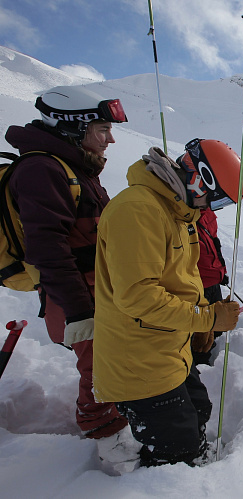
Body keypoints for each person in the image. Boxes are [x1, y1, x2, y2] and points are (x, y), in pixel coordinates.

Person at [4, 85, 141, 469]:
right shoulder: (42, 170)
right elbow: (48, 248)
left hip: (95, 292)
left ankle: (114, 420)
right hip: (77, 298)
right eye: (102, 130)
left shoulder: (76, 168)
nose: (110, 139)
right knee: (99, 367)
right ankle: (108, 440)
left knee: (110, 362)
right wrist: (81, 311)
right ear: (71, 127)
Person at [92, 139, 243, 468]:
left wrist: (204, 316)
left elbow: (183, 279)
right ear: (198, 178)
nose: (210, 210)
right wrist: (208, 319)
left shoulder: (178, 213)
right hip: (139, 363)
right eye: (215, 200)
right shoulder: (138, 210)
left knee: (198, 408)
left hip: (167, 350)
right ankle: (168, 476)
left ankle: (191, 459)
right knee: (176, 445)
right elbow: (138, 297)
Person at [193, 206, 229, 366]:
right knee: (200, 332)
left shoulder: (208, 213)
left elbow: (214, 243)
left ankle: (213, 357)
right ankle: (199, 366)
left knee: (217, 325)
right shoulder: (183, 215)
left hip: (213, 279)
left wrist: (221, 270)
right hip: (197, 285)